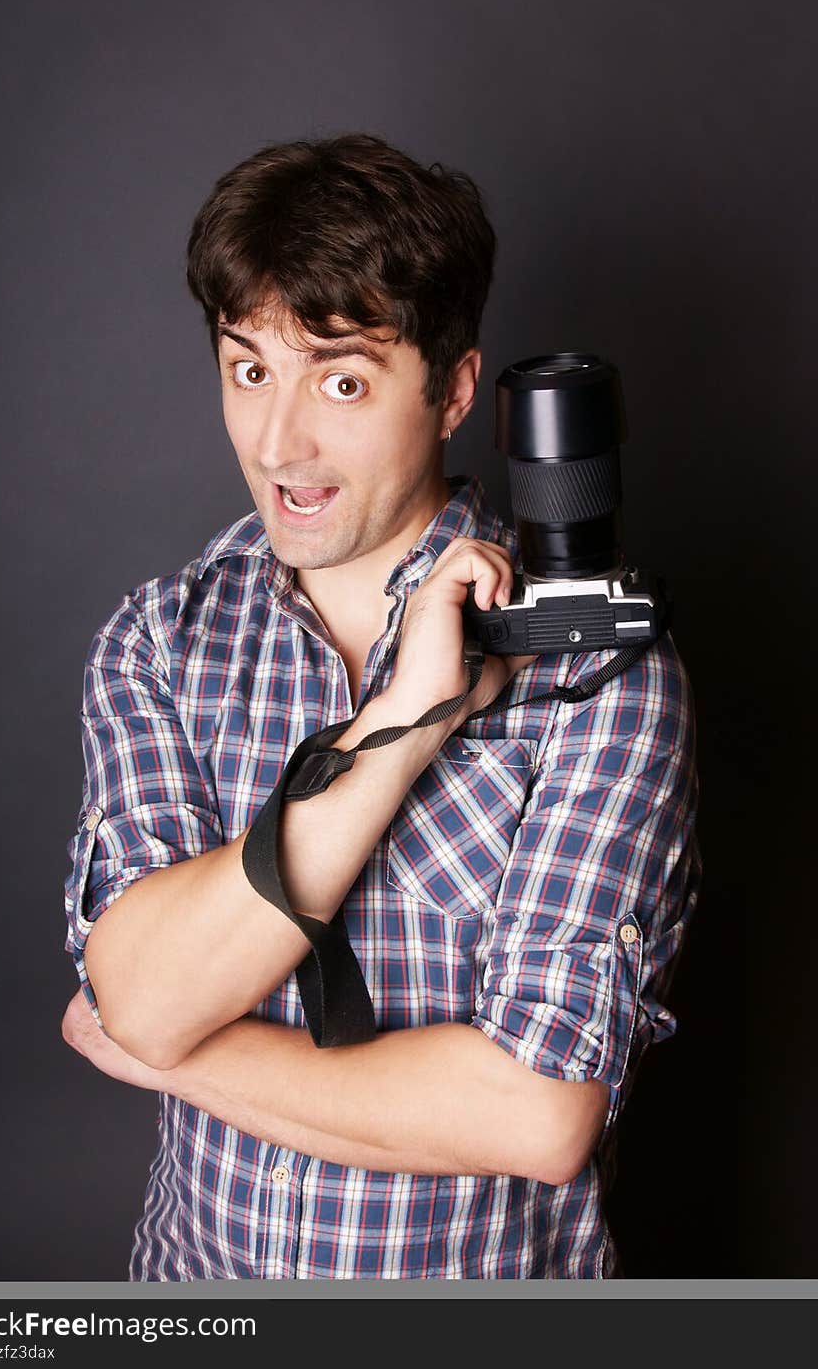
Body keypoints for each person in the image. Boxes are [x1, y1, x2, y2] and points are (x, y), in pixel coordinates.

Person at [61, 133, 701, 1280]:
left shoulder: (596, 675)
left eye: (342, 380)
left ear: (455, 390)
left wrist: (162, 1048)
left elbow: (536, 1115)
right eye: (249, 367)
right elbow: (140, 988)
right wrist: (400, 725)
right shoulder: (161, 640)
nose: (277, 443)